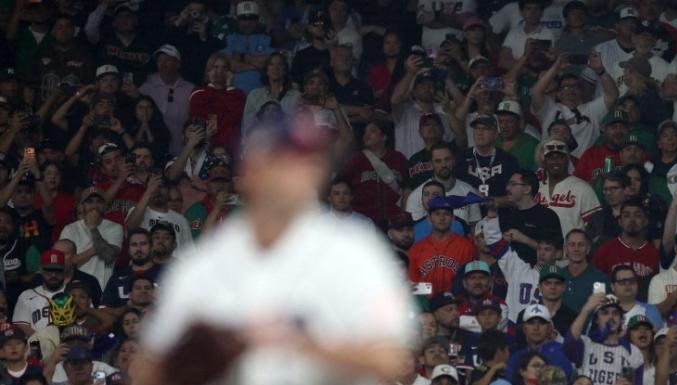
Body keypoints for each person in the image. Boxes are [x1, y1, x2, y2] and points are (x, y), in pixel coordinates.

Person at [135, 116, 413, 385]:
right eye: (285, 163)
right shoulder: (205, 264)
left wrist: (300, 344)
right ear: (250, 172)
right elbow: (147, 370)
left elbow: (389, 357)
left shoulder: (354, 250)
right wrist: (209, 353)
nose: (300, 175)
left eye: (310, 163)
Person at [530, 52, 620, 158]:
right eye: (566, 87)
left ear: (581, 91)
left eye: (575, 86)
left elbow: (612, 95)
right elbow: (535, 92)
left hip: (582, 165)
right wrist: (555, 68)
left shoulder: (592, 110)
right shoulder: (549, 108)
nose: (571, 90)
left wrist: (601, 71)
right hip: (551, 160)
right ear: (559, 93)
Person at [568, 292, 645, 385]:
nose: (610, 317)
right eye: (605, 313)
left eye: (615, 313)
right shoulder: (585, 343)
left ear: (621, 319)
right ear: (597, 319)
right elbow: (569, 342)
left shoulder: (634, 352)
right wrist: (586, 310)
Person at [408, 196, 477, 294]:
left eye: (446, 214)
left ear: (453, 218)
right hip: (427, 301)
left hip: (456, 301)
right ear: (429, 218)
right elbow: (412, 285)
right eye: (437, 214)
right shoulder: (416, 249)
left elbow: (471, 281)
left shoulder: (466, 247)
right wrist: (431, 293)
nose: (442, 218)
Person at [536, 140, 602, 238]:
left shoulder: (582, 188)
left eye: (560, 157)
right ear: (545, 162)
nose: (555, 161)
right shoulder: (536, 187)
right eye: (551, 158)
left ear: (567, 160)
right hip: (540, 246)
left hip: (572, 246)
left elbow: (595, 227)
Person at [138, 44, 195, 154]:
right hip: (153, 152)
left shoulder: (190, 89)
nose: (163, 64)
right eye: (160, 60)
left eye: (167, 60)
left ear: (178, 64)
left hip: (181, 151)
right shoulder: (146, 88)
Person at [406, 144, 482, 224]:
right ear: (431, 164)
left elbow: (475, 227)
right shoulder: (416, 196)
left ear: (453, 161)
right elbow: (415, 229)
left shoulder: (469, 191)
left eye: (447, 160)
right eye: (438, 161)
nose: (443, 165)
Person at [499, 170, 561, 266]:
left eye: (513, 184)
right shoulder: (506, 215)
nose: (507, 188)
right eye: (508, 184)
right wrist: (503, 241)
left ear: (527, 189)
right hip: (509, 270)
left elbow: (558, 253)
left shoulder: (547, 216)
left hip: (538, 272)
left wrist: (524, 239)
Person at [455, 116, 519, 198]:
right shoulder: (462, 158)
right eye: (477, 128)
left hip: (499, 205)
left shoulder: (508, 160)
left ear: (495, 134)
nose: (480, 133)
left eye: (485, 129)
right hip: (469, 205)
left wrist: (497, 201)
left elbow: (515, 194)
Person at [506, 304, 573, 380]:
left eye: (541, 323)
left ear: (549, 328)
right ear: (524, 328)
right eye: (531, 323)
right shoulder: (517, 356)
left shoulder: (562, 351)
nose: (536, 328)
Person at [12, 249, 66, 335]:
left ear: (64, 270)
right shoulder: (26, 295)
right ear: (40, 269)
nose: (53, 275)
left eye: (58, 270)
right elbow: (21, 325)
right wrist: (42, 339)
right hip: (36, 342)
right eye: (49, 270)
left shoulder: (73, 293)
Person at [561, 230, 610, 313]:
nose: (576, 249)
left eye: (581, 245)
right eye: (572, 244)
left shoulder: (600, 279)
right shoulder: (557, 276)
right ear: (565, 249)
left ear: (588, 249)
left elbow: (601, 311)